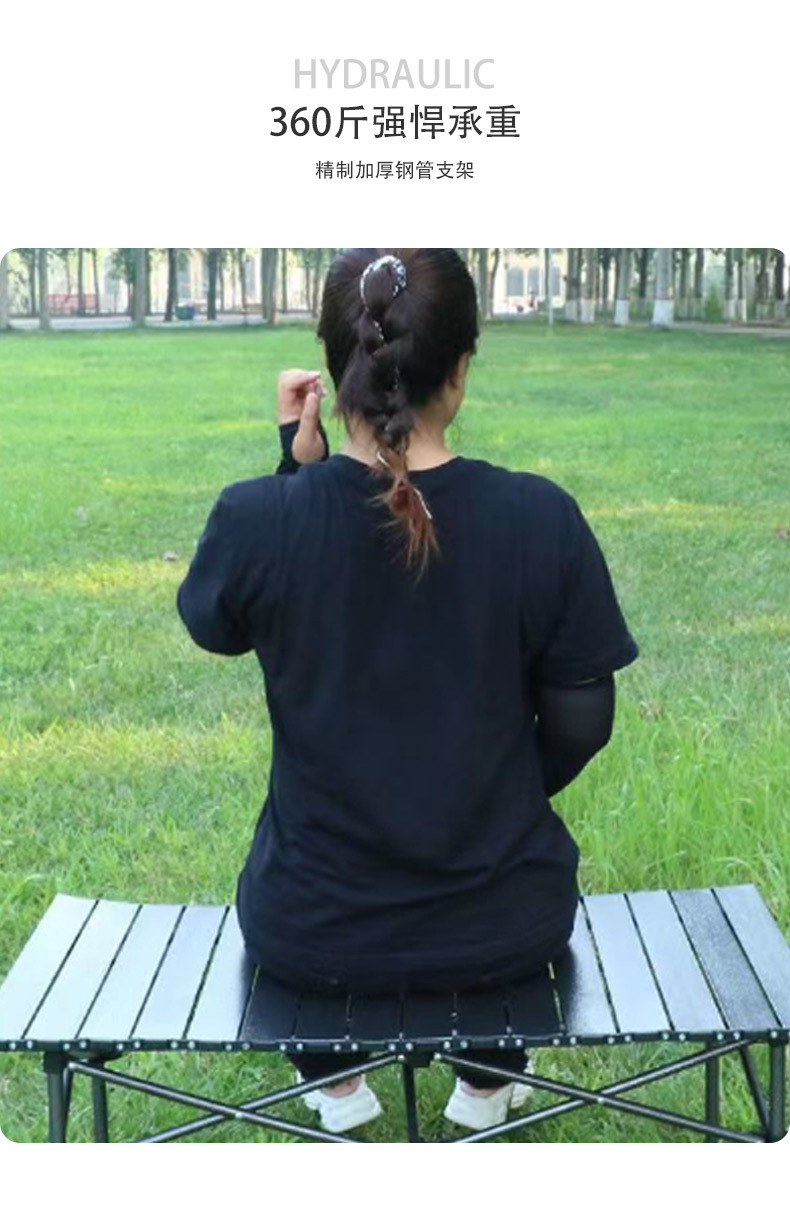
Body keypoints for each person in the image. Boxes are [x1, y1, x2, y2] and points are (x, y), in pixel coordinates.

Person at [177, 248, 639, 1134]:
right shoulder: (541, 516)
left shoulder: (258, 517)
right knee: (493, 962)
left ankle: (335, 1084)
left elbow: (215, 624)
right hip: (505, 928)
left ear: (332, 369)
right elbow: (584, 721)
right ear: (460, 371)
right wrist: (493, 790)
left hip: (313, 931)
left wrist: (295, 470)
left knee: (310, 947)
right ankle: (488, 1083)